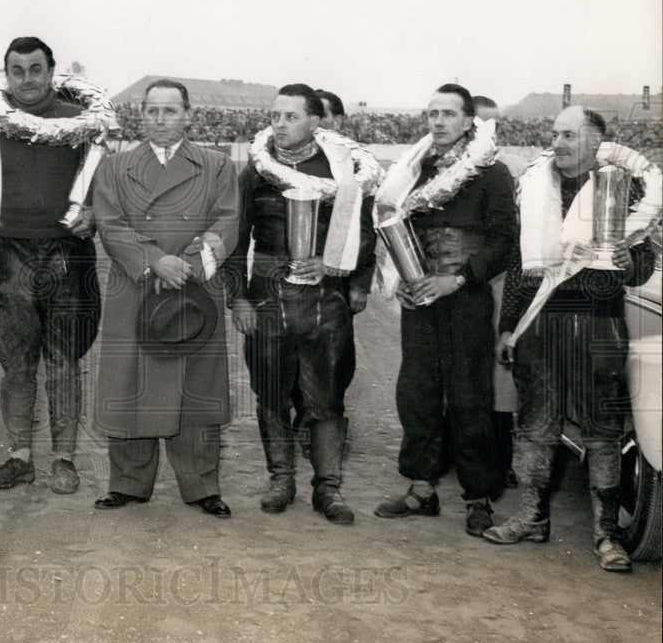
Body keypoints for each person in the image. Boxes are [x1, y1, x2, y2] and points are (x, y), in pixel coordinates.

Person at [483, 106, 660, 572]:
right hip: (541, 326)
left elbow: (640, 268)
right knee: (536, 427)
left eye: (568, 135)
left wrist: (624, 256)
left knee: (603, 434)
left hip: (599, 322)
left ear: (595, 143)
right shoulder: (535, 184)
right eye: (555, 133)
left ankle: (607, 533)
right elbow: (524, 268)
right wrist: (509, 326)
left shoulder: (624, 186)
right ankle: (531, 517)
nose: (556, 142)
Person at [227, 84, 380, 522]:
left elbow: (365, 234)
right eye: (275, 115)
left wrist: (332, 265)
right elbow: (236, 238)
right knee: (272, 394)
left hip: (324, 299)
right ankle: (281, 480)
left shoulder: (342, 170)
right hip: (268, 294)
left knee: (325, 394)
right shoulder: (256, 170)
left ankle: (328, 489)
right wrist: (238, 298)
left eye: (291, 116)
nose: (279, 123)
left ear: (316, 122)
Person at [0, 36, 106, 495]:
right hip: (6, 254)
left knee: (63, 363)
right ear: (5, 74)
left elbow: (104, 181)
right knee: (17, 365)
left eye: (35, 69)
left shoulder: (78, 120)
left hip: (67, 254)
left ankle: (63, 458)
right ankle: (20, 455)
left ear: (51, 71)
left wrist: (96, 216)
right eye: (17, 70)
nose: (26, 79)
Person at [92, 79, 239, 518]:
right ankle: (129, 483)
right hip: (137, 288)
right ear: (142, 115)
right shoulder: (114, 167)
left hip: (193, 291)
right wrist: (155, 260)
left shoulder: (217, 165)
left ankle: (201, 485)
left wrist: (185, 264)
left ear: (188, 115)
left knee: (196, 388)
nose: (160, 119)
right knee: (130, 384)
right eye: (152, 111)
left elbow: (227, 221)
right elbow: (111, 225)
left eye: (170, 111)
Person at [373, 83, 516, 536]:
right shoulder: (414, 170)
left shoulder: (492, 173)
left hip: (465, 295)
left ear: (469, 120)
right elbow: (394, 227)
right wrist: (404, 279)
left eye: (448, 114)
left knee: (470, 397)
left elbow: (504, 243)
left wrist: (456, 279)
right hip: (420, 297)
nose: (438, 121)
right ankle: (421, 488)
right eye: (432, 113)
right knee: (417, 392)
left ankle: (478, 497)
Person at [471, 93, 518, 490]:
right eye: (482, 124)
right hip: (464, 284)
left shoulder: (508, 169)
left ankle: (501, 461)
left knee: (501, 380)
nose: (490, 132)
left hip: (501, 280)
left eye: (495, 125)